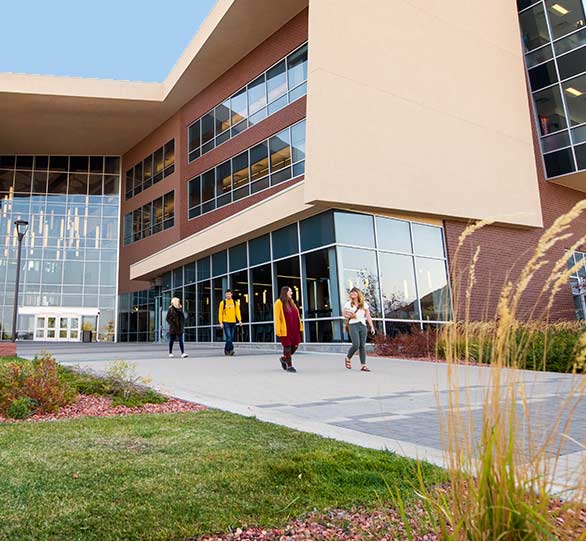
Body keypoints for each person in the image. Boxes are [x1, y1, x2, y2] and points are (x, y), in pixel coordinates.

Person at [343, 287, 375, 371]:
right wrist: (351, 316)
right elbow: (345, 315)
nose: (352, 294)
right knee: (356, 344)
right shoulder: (348, 304)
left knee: (362, 346)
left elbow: (368, 315)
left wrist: (371, 326)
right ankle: (348, 358)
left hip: (362, 325)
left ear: (358, 294)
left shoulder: (363, 304)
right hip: (353, 325)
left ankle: (363, 365)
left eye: (354, 292)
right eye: (351, 293)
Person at [274, 286, 303, 373]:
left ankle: (283, 358)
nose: (292, 293)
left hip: (295, 329)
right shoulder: (278, 303)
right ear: (285, 292)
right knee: (287, 347)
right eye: (290, 291)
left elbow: (297, 316)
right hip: (285, 330)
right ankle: (290, 366)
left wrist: (300, 327)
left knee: (295, 346)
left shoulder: (291, 302)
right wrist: (278, 330)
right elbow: (277, 317)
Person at [218, 289, 242, 355]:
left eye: (229, 294)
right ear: (225, 295)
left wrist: (239, 320)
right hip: (226, 322)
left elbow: (237, 312)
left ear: (231, 294)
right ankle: (231, 350)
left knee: (230, 337)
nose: (228, 295)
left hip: (233, 322)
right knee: (229, 336)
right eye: (227, 294)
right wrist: (220, 322)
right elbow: (220, 313)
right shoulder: (223, 303)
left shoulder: (235, 303)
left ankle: (226, 349)